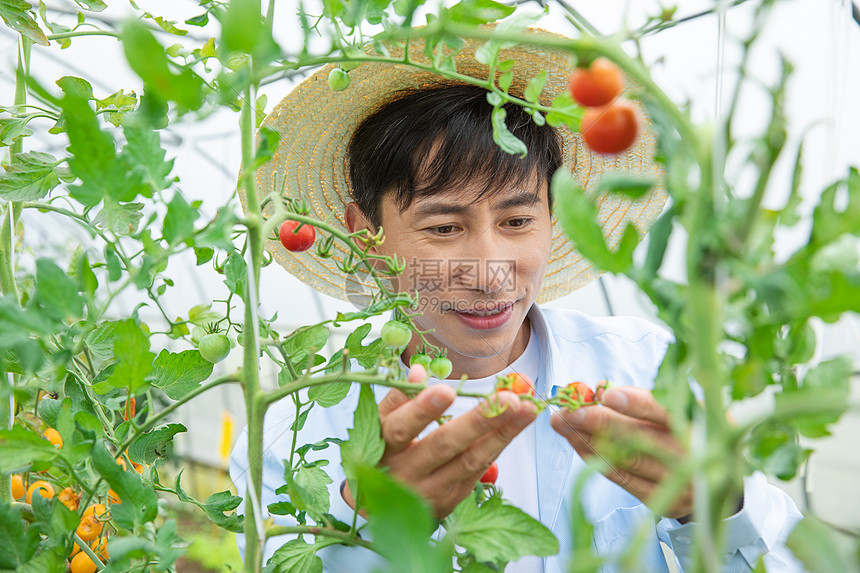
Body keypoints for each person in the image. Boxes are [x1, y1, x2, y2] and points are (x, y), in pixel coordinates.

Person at [230, 32, 805, 573]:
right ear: (366, 236)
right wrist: (367, 538)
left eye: (518, 219)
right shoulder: (293, 438)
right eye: (444, 227)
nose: (489, 271)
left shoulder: (645, 374)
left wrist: (714, 506)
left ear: (554, 218)